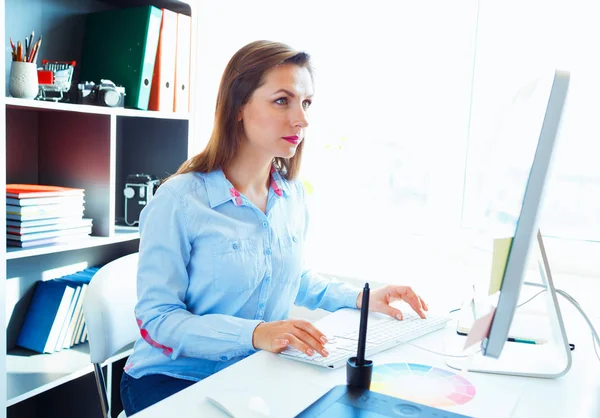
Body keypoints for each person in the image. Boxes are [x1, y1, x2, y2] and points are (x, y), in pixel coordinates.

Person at [120, 40, 429, 415]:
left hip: (253, 372)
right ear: (238, 107)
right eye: (282, 100)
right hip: (172, 380)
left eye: (306, 102)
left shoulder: (291, 196)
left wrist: (362, 299)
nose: (301, 119)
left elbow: (290, 278)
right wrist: (254, 334)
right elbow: (158, 319)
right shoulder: (180, 200)